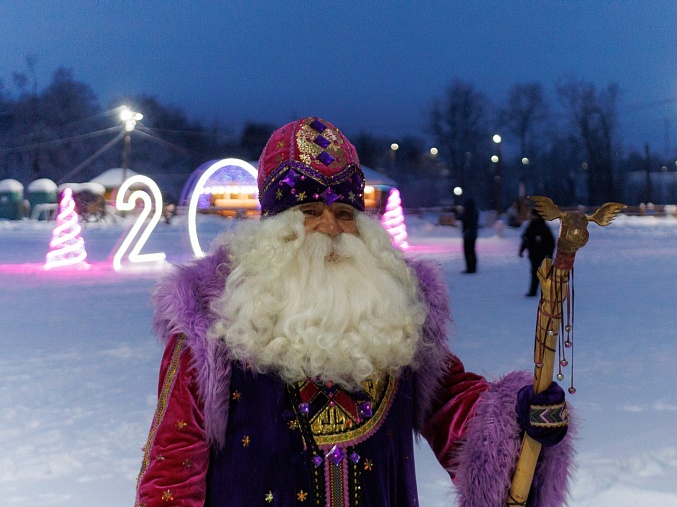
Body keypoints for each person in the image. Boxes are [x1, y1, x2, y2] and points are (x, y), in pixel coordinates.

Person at [135, 117, 573, 507]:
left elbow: (456, 408)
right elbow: (171, 476)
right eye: (308, 211)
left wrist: (518, 419)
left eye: (344, 212)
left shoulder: (394, 312)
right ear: (270, 227)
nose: (330, 227)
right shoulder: (211, 325)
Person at [519, 207, 556, 297]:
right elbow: (526, 239)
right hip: (534, 254)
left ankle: (547, 291)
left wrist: (549, 254)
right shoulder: (532, 226)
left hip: (541, 254)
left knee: (543, 273)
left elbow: (551, 242)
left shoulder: (543, 227)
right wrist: (521, 250)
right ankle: (533, 291)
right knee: (535, 273)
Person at [456, 197, 479, 273]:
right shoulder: (474, 212)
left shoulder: (468, 212)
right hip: (473, 235)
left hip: (467, 235)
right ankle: (472, 267)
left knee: (468, 252)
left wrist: (457, 212)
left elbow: (460, 217)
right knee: (472, 251)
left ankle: (470, 268)